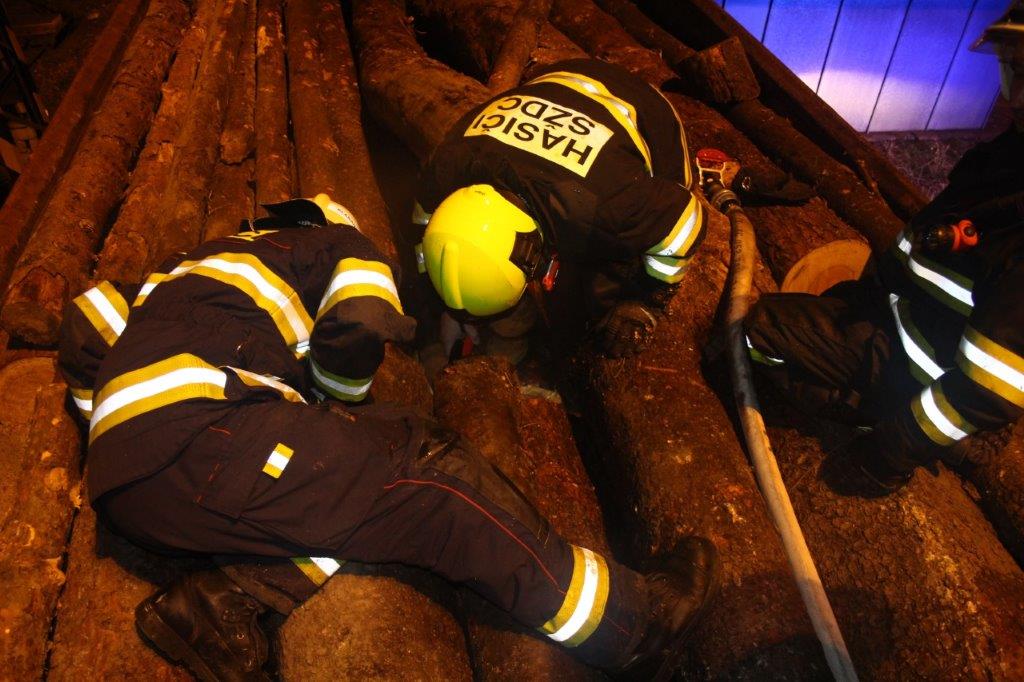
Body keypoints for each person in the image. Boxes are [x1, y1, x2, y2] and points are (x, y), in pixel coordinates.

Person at [58, 195, 718, 681]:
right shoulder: (337, 246)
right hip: (210, 436)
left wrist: (116, 431)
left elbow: (87, 327)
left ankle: (218, 603)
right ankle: (631, 625)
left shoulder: (183, 270)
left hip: (134, 484)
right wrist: (337, 398)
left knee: (356, 496)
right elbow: (360, 323)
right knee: (425, 475)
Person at [743, 5, 1024, 496]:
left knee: (757, 331)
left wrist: (887, 454)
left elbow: (990, 386)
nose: (1015, 95)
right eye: (1013, 69)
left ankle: (890, 414)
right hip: (908, 318)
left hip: (921, 363)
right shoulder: (1006, 158)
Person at [410, 58, 706, 358]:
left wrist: (645, 299)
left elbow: (686, 221)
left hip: (648, 111)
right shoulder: (447, 166)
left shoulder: (603, 208)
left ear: (533, 257)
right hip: (557, 76)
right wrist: (447, 304)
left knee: (604, 283)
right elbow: (424, 228)